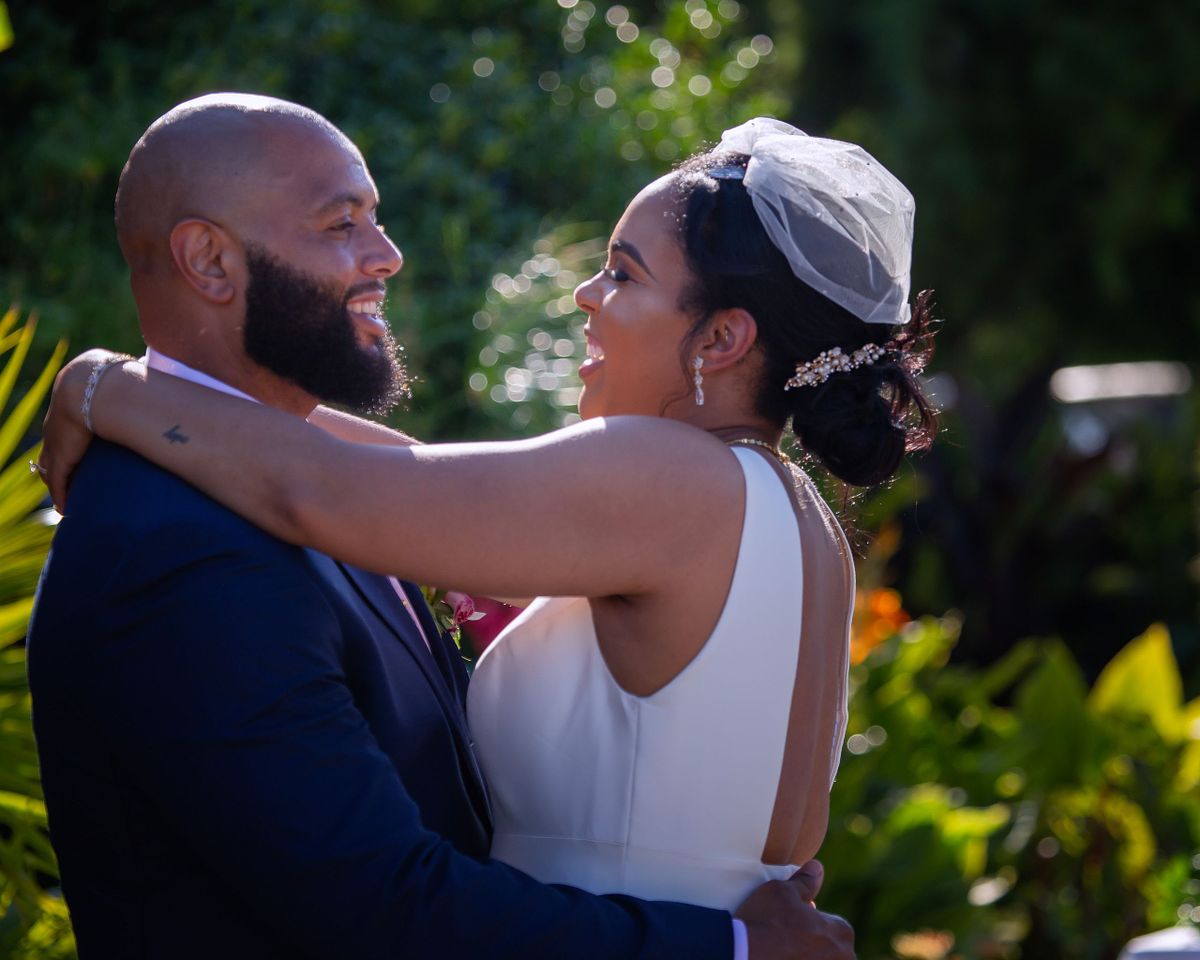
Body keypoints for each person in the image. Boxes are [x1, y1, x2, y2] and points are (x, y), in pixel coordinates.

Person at [26, 96, 855, 959]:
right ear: (208, 259)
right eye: (343, 223)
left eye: (623, 274)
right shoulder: (790, 512)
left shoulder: (665, 480)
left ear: (720, 338)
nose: (389, 255)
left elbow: (338, 487)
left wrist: (105, 387)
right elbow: (386, 469)